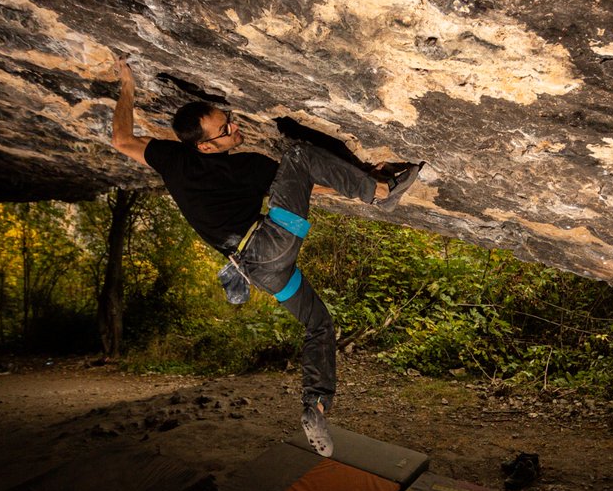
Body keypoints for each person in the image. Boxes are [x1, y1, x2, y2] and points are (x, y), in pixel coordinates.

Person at [110, 58, 422, 457]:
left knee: (319, 324)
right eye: (225, 129)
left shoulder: (172, 160)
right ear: (205, 146)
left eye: (228, 119)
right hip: (270, 244)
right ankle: (381, 192)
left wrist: (127, 85)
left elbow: (121, 140)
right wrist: (364, 180)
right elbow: (306, 179)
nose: (234, 127)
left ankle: (316, 406)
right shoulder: (247, 167)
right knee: (298, 155)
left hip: (260, 272)